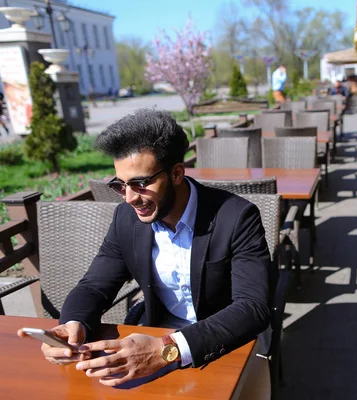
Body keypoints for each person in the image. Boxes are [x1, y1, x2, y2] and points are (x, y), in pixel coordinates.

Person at [18, 109, 273, 387]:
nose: (128, 198)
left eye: (140, 183)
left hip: (226, 343)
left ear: (177, 172)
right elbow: (94, 286)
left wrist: (168, 349)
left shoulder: (236, 217)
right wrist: (72, 325)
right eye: (120, 185)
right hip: (155, 334)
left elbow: (253, 308)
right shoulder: (127, 219)